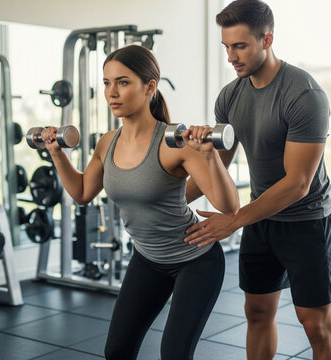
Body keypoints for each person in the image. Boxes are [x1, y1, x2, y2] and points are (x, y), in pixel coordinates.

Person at [40, 44, 239, 360]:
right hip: (147, 259)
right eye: (107, 83)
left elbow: (228, 206)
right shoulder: (108, 142)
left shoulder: (176, 143)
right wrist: (56, 152)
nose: (112, 93)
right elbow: (80, 193)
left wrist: (209, 154)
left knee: (174, 353)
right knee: (117, 351)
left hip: (196, 261)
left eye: (122, 82)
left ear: (149, 87)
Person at [184, 1, 331, 359]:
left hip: (306, 220)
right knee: (256, 313)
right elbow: (216, 169)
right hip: (261, 219)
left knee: (315, 324)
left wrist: (235, 221)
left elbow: (298, 182)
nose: (230, 57)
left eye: (239, 46)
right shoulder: (230, 96)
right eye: (226, 46)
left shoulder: (304, 95)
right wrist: (170, 201)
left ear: (267, 39)